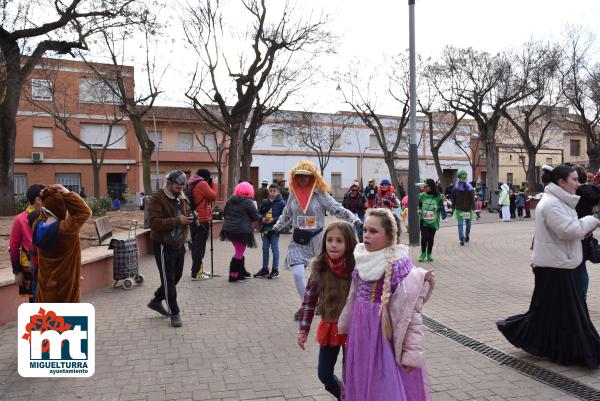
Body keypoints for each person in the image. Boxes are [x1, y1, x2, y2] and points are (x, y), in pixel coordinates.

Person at [496, 164, 600, 368]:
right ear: (561, 182)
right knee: (568, 312)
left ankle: (547, 345)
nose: (578, 184)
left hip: (558, 263)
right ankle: (578, 352)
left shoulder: (559, 201)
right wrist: (591, 221)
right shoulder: (552, 204)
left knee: (551, 312)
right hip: (556, 266)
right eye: (574, 180)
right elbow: (568, 230)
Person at [338, 208, 434, 401]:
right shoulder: (361, 257)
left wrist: (412, 352)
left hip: (385, 333)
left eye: (373, 231)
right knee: (366, 377)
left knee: (386, 382)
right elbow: (353, 295)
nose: (366, 235)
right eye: (365, 230)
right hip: (362, 329)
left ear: (390, 235)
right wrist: (344, 324)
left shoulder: (399, 265)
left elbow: (411, 313)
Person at [273, 160, 361, 320]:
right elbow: (286, 214)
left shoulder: (320, 194)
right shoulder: (293, 195)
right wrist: (277, 227)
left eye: (306, 176)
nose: (302, 179)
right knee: (298, 274)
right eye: (299, 176)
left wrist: (353, 219)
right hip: (298, 239)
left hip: (318, 238)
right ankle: (307, 305)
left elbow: (336, 208)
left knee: (323, 273)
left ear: (314, 177)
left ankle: (326, 301)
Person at [297, 221, 358, 400]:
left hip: (353, 329)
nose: (333, 244)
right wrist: (303, 330)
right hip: (329, 328)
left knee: (351, 374)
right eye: (329, 240)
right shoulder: (320, 266)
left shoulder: (357, 267)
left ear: (349, 243)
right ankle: (343, 395)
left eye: (339, 241)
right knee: (324, 374)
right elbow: (308, 301)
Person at [147, 170, 193, 328]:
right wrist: (178, 220)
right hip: (162, 244)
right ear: (169, 183)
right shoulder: (157, 198)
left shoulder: (182, 197)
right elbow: (154, 223)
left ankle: (155, 300)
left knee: (176, 277)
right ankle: (175, 313)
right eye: (177, 187)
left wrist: (191, 218)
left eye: (182, 187)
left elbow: (185, 213)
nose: (180, 190)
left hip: (179, 243)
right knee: (168, 279)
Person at [32, 184, 92, 303]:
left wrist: (47, 202)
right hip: (66, 291)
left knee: (47, 320)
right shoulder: (66, 229)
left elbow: (44, 214)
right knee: (67, 321)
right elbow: (85, 212)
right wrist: (67, 193)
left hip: (46, 290)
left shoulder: (37, 225)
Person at [9, 184, 45, 302]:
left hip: (48, 267)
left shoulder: (50, 216)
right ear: (37, 199)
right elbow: (14, 247)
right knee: (34, 306)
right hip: (28, 270)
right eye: (45, 195)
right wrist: (17, 271)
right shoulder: (20, 219)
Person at [221, 181, 260, 283]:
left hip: (229, 229)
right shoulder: (248, 202)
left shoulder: (230, 200)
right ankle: (234, 276)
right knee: (239, 253)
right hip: (241, 230)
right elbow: (255, 216)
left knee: (239, 251)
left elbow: (225, 214)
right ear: (249, 191)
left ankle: (242, 272)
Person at [187, 169, 218, 281]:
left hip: (194, 218)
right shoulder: (202, 183)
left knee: (196, 246)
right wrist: (214, 184)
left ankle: (198, 269)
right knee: (199, 247)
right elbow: (213, 196)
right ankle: (196, 273)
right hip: (202, 219)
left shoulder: (191, 182)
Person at [574, 166, 600, 299]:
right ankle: (581, 295)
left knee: (578, 266)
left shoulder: (575, 192)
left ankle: (579, 297)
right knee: (581, 266)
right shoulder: (591, 191)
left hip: (576, 231)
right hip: (587, 230)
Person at [254, 183, 286, 279]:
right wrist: (261, 218)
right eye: (271, 191)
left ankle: (275, 270)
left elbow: (284, 216)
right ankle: (265, 269)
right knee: (265, 249)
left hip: (274, 229)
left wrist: (274, 219)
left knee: (275, 249)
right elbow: (259, 213)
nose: (272, 193)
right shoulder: (265, 201)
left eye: (274, 191)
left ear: (278, 192)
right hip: (265, 229)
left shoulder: (281, 203)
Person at [418, 178, 444, 262]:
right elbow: (419, 205)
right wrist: (419, 210)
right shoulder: (422, 195)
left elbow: (442, 207)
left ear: (431, 186)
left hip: (434, 220)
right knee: (424, 237)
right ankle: (422, 254)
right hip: (423, 220)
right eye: (424, 186)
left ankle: (429, 254)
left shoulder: (439, 196)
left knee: (430, 238)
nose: (425, 187)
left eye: (427, 186)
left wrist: (437, 208)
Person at [451, 170, 475, 246]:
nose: (462, 180)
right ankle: (461, 239)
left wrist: (473, 208)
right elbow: (453, 199)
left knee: (468, 225)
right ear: (459, 178)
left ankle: (467, 235)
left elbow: (472, 198)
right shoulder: (456, 189)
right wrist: (453, 207)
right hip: (459, 209)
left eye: (463, 178)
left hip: (468, 209)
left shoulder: (470, 188)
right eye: (461, 178)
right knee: (460, 224)